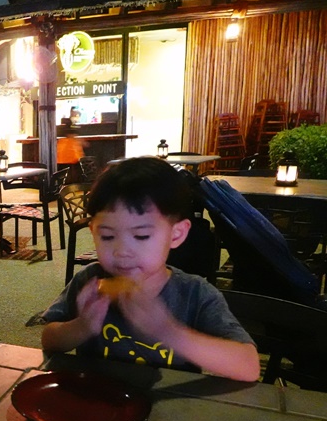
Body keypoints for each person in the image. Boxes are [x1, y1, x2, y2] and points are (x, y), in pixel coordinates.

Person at [41, 157, 260, 382]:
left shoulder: (195, 294)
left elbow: (249, 367)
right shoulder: (88, 281)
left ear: (176, 234)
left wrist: (169, 332)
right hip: (98, 404)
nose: (122, 251)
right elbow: (49, 339)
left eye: (141, 236)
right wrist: (82, 326)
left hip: (166, 412)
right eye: (107, 236)